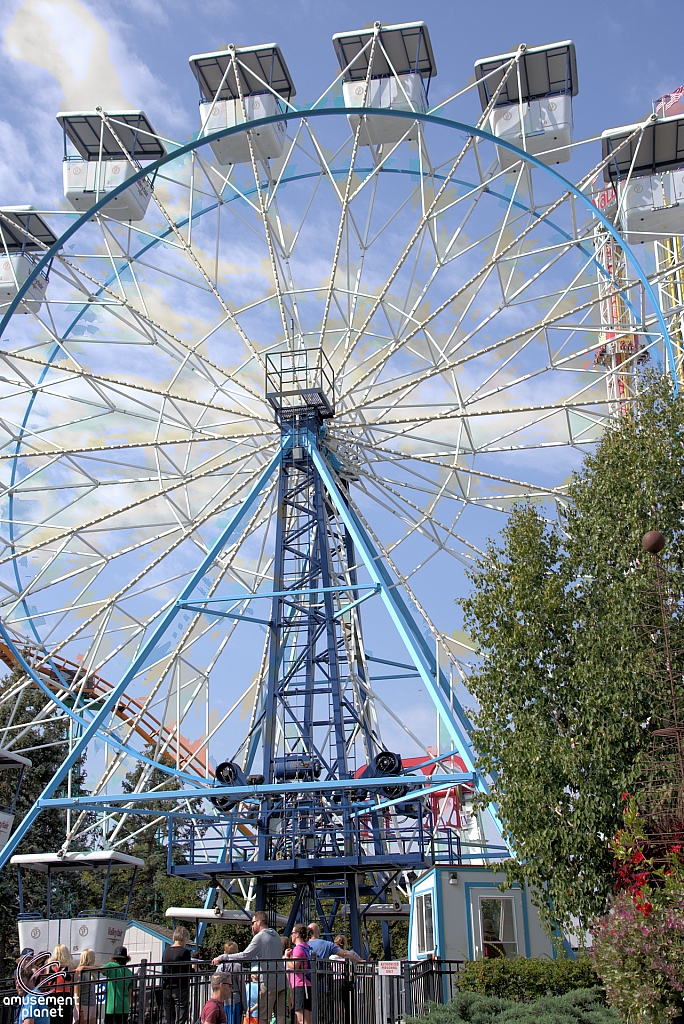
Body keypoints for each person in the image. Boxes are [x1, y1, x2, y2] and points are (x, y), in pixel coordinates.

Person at [211, 911, 285, 1024]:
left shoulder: (260, 937)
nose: (252, 926)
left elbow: (245, 955)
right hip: (282, 980)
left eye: (253, 922)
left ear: (259, 922)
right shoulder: (275, 935)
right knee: (280, 1015)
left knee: (263, 1016)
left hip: (269, 982)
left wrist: (223, 957)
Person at [162, 927, 192, 1024]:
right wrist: (194, 969)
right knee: (181, 1016)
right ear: (184, 938)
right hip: (180, 987)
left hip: (167, 987)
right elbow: (188, 971)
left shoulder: (166, 951)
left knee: (169, 1017)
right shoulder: (185, 952)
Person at [286, 925, 312, 1024]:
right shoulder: (307, 947)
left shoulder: (298, 948)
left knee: (301, 1019)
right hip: (308, 984)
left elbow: (295, 966)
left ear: (297, 935)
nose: (291, 935)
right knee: (308, 1018)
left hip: (300, 985)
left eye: (292, 933)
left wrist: (286, 958)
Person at [43, 945, 74, 1024]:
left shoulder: (49, 966)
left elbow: (46, 981)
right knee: (65, 1020)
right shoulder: (68, 966)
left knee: (52, 1020)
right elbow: (74, 979)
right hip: (64, 996)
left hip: (51, 995)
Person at [215, 942, 245, 1024]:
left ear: (225, 953)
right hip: (236, 999)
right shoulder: (238, 967)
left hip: (223, 1000)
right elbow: (242, 987)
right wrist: (245, 1007)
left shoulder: (220, 967)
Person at [102, 946, 133, 1024]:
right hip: (124, 1007)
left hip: (112, 1007)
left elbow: (99, 970)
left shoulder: (111, 966)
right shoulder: (129, 972)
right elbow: (130, 994)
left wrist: (84, 967)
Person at [74, 949, 98, 1024]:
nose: (95, 959)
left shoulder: (90, 971)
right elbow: (76, 993)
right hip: (84, 1005)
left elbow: (101, 968)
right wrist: (79, 1009)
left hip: (92, 1004)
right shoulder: (81, 973)